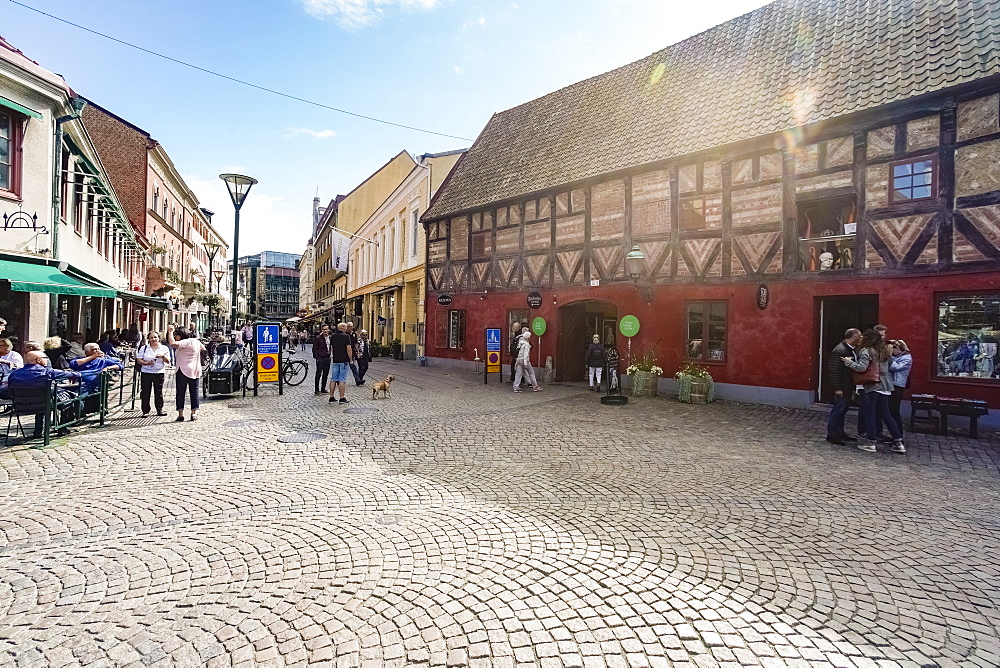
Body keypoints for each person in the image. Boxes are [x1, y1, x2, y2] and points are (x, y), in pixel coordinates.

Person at [842, 329, 905, 454]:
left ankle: (871, 443)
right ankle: (898, 443)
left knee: (870, 414)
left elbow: (862, 368)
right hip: (885, 386)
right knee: (886, 415)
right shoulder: (884, 351)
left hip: (871, 386)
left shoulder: (867, 351)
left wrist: (849, 363)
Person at [0, 351, 81, 437]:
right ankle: (63, 429)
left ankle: (38, 431)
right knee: (66, 402)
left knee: (42, 399)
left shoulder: (14, 374)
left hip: (20, 406)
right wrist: (76, 374)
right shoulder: (47, 372)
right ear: (38, 360)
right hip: (43, 404)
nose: (47, 360)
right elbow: (73, 374)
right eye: (45, 358)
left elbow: (9, 391)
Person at [825, 328, 862, 445]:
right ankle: (832, 434)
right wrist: (838, 388)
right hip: (842, 387)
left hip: (847, 386)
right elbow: (834, 371)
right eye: (859, 336)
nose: (861, 338)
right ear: (853, 337)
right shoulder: (839, 350)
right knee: (838, 410)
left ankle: (840, 432)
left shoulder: (851, 349)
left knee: (843, 410)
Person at [165, 325, 205, 422]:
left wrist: (170, 331)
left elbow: (172, 343)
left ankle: (180, 414)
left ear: (181, 335)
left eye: (176, 335)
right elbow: (203, 348)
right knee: (194, 392)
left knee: (181, 392)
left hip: (182, 369)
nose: (175, 337)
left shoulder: (185, 342)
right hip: (195, 369)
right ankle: (193, 413)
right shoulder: (196, 341)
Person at [136, 331, 171, 417]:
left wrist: (162, 356)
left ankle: (159, 409)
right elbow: (139, 359)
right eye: (151, 337)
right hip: (146, 372)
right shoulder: (144, 348)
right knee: (145, 392)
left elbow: (168, 361)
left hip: (159, 372)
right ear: (148, 339)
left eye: (155, 337)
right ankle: (145, 410)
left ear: (159, 338)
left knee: (158, 392)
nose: (153, 339)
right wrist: (146, 363)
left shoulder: (164, 348)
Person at [887, 339, 912, 438]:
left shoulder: (907, 358)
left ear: (898, 348)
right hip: (891, 385)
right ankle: (895, 435)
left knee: (894, 411)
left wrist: (890, 356)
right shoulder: (897, 357)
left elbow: (896, 367)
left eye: (893, 349)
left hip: (897, 386)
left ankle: (898, 436)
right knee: (890, 411)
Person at [328, 322, 354, 404]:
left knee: (333, 379)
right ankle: (342, 398)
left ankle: (331, 397)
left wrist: (334, 355)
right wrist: (350, 359)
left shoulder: (333, 336)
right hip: (344, 360)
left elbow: (331, 348)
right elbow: (349, 349)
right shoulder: (346, 336)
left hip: (336, 360)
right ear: (344, 328)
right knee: (342, 379)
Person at [312, 324, 332, 395]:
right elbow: (314, 348)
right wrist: (317, 357)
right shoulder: (318, 338)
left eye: (326, 329)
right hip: (320, 358)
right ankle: (317, 389)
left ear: (328, 330)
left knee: (325, 374)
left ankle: (323, 388)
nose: (325, 331)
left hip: (327, 357)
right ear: (322, 330)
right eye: (324, 329)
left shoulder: (330, 337)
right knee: (318, 374)